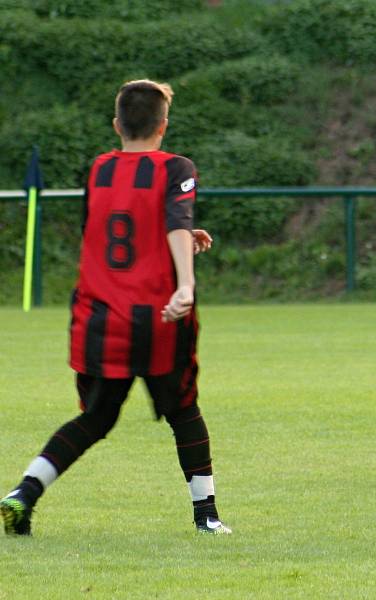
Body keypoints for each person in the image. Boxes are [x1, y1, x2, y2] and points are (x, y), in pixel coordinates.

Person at [0, 79, 231, 536]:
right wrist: (185, 282)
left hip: (101, 319)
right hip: (158, 318)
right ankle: (206, 517)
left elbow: (114, 231)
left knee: (96, 417)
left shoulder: (98, 169)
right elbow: (175, 219)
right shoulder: (177, 167)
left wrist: (181, 238)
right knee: (184, 410)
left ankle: (23, 493)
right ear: (164, 125)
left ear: (116, 124)